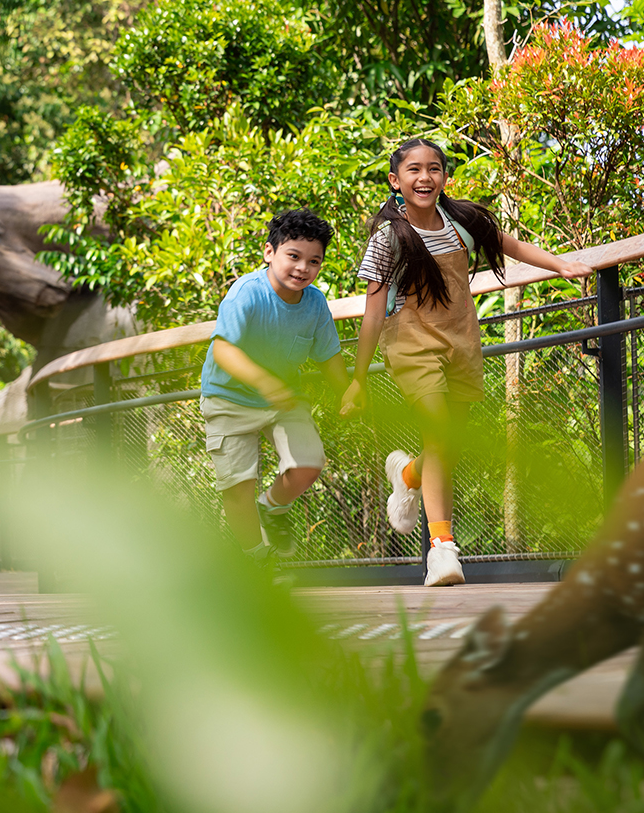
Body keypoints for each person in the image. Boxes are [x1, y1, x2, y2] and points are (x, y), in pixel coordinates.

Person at [338, 139, 592, 586]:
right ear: (396, 181)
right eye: (413, 170)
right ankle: (442, 549)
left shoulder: (462, 221)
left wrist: (559, 265)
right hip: (412, 342)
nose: (425, 177)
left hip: (460, 338)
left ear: (444, 177)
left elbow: (507, 244)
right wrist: (357, 379)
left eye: (434, 168)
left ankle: (408, 473)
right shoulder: (388, 239)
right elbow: (373, 312)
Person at [201, 209, 350, 562]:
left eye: (314, 261)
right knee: (237, 487)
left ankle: (272, 507)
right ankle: (257, 558)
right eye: (293, 256)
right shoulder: (247, 293)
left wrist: (347, 391)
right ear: (270, 252)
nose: (303, 268)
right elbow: (223, 349)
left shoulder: (314, 302)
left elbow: (328, 354)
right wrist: (263, 381)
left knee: (309, 464)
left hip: (283, 400)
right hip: (229, 399)